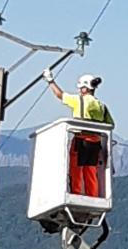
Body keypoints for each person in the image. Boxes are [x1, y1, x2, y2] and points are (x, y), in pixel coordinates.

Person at [44, 68, 113, 197]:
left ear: (85, 88)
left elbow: (60, 95)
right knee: (90, 173)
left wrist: (50, 81)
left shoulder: (79, 100)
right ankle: (92, 197)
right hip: (95, 142)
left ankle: (76, 195)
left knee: (76, 171)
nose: (79, 91)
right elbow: (110, 124)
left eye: (80, 88)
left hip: (81, 140)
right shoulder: (101, 106)